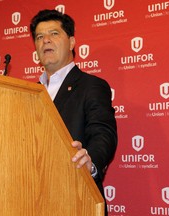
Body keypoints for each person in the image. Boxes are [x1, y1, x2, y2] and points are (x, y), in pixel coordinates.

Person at [30, 9, 118, 215]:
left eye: (54, 34)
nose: (46, 41)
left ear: (71, 42)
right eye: (39, 37)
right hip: (31, 197)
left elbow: (103, 133)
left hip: (75, 196)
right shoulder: (29, 93)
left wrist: (91, 161)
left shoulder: (91, 86)